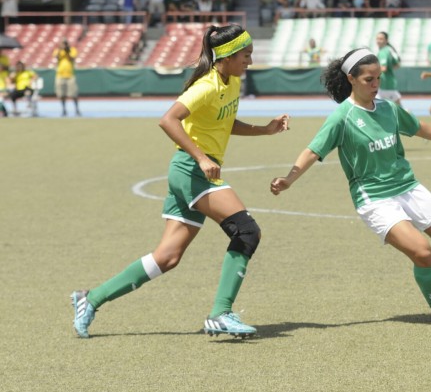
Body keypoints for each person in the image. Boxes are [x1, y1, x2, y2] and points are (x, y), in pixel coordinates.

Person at [70, 24, 291, 338]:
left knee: (167, 257)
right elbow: (168, 119)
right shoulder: (207, 85)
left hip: (189, 173)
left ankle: (90, 299)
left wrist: (264, 130)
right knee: (247, 230)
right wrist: (201, 157)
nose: (250, 61)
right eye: (246, 55)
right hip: (192, 171)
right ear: (226, 56)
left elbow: (223, 122)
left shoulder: (232, 82)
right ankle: (220, 313)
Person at [270, 48, 431, 326]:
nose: (376, 85)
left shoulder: (388, 108)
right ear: (351, 79)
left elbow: (418, 127)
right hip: (375, 199)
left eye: (379, 78)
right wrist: (289, 179)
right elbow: (312, 151)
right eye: (369, 79)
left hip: (407, 186)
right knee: (422, 252)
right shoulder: (342, 117)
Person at [53, 39, 81, 117]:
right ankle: (64, 110)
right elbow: (56, 57)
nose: (64, 45)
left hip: (70, 75)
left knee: (74, 94)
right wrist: (60, 49)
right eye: (62, 43)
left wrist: (67, 51)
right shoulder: (58, 50)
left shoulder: (72, 50)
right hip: (60, 75)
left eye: (65, 44)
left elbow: (72, 58)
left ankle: (77, 109)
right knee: (61, 94)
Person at [375, 31, 402, 105]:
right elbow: (397, 65)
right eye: (377, 38)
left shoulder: (383, 51)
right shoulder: (388, 49)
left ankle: (408, 115)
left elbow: (383, 68)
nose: (378, 41)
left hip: (386, 85)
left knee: (399, 110)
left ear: (386, 41)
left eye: (381, 39)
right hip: (386, 84)